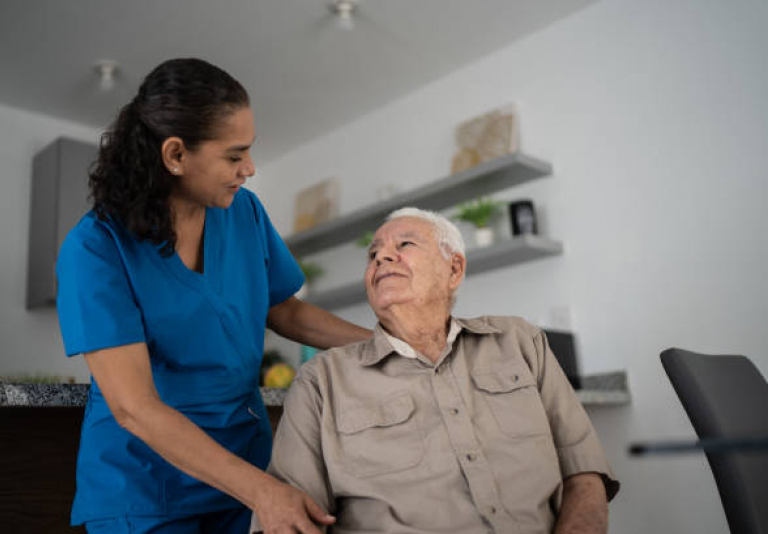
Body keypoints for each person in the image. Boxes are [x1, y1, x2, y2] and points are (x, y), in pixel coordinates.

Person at [55, 58, 372, 534]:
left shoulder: (242, 212)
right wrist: (264, 492)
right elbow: (133, 406)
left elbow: (284, 309)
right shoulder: (96, 247)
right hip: (146, 490)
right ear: (175, 155)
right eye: (233, 155)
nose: (249, 168)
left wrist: (385, 348)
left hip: (246, 464)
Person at [262, 207, 620, 534]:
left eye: (405, 244)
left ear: (454, 269)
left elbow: (585, 473)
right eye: (373, 254)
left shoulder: (520, 341)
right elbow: (288, 519)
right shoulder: (322, 380)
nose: (382, 256)